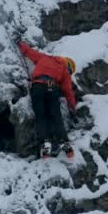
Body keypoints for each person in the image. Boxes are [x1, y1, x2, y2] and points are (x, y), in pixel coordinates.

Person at [12, 29, 77, 159]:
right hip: (52, 88)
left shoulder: (45, 57)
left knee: (41, 117)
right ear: (68, 65)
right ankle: (64, 142)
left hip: (37, 87)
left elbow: (29, 52)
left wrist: (19, 42)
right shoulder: (64, 70)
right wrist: (72, 108)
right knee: (56, 117)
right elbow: (68, 91)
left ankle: (45, 143)